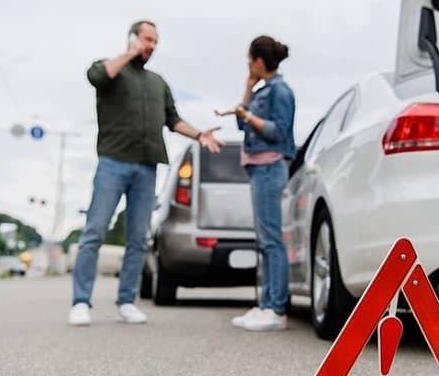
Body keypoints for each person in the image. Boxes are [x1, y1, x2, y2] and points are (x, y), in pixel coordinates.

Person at [69, 20, 223, 326]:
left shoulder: (158, 82)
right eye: (147, 39)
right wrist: (128, 53)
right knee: (94, 232)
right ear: (133, 38)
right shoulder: (110, 68)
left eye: (155, 41)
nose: (151, 45)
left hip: (147, 167)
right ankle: (81, 302)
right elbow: (97, 77)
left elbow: (173, 119)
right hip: (113, 163)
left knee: (138, 238)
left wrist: (199, 135)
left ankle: (126, 301)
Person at [226, 36, 296, 331]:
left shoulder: (280, 91)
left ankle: (276, 310)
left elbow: (279, 131)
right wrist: (247, 91)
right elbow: (241, 123)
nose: (247, 65)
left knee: (271, 241)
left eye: (249, 60)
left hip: (270, 166)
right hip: (258, 168)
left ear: (258, 60)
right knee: (264, 241)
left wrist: (250, 116)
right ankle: (265, 305)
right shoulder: (262, 90)